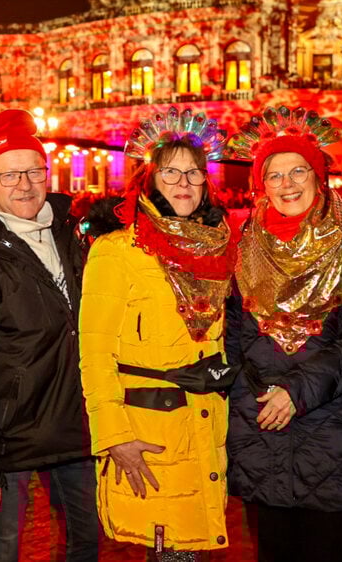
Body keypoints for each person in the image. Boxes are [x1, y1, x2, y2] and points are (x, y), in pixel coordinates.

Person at [0, 109, 98, 562]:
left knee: (85, 543)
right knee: (1, 551)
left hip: (78, 428)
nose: (24, 184)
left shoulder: (71, 234)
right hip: (8, 435)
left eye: (33, 170)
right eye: (9, 174)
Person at [224, 107, 342, 562]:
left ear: (319, 177)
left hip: (329, 427)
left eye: (299, 171)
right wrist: (247, 396)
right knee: (271, 548)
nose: (287, 184)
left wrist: (297, 391)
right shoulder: (246, 244)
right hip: (261, 427)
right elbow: (233, 335)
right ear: (261, 184)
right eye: (274, 175)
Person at [78, 107, 237, 560]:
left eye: (194, 173)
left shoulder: (217, 242)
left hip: (205, 424)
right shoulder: (116, 250)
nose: (184, 184)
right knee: (169, 551)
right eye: (171, 173)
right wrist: (114, 436)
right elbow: (94, 352)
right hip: (148, 434)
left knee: (193, 548)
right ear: (149, 179)